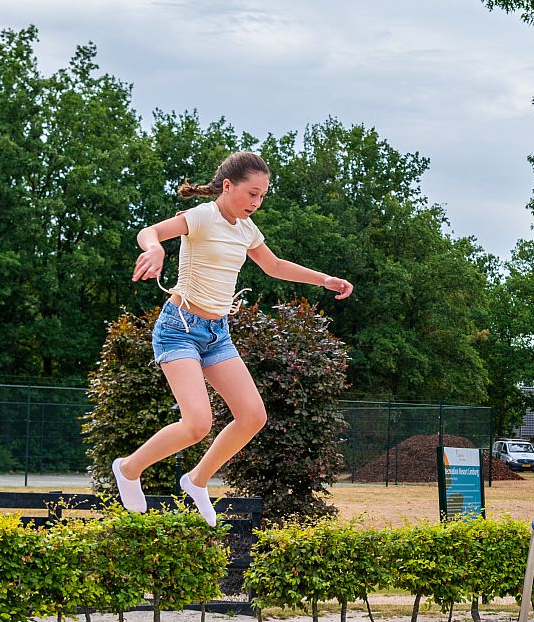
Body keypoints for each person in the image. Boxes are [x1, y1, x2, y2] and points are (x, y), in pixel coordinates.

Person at [112, 150, 353, 524]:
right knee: (197, 424)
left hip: (216, 334)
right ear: (227, 186)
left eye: (262, 197)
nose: (256, 203)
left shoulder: (246, 230)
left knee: (253, 416)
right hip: (180, 328)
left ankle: (197, 480)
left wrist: (324, 279)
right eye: (251, 194)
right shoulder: (202, 217)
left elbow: (274, 266)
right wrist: (155, 248)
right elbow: (151, 231)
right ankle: (128, 469)